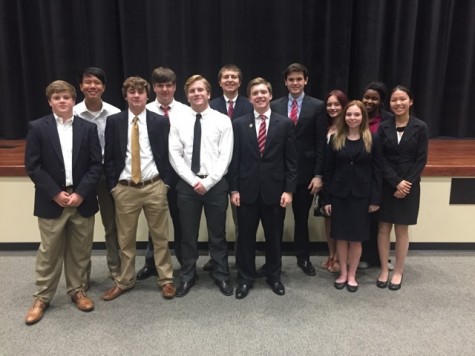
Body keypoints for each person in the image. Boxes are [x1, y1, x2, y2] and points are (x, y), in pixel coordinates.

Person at [24, 80, 102, 325]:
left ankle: (77, 291)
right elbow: (33, 166)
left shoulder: (87, 128)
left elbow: (95, 165)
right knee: (49, 252)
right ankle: (42, 297)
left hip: (81, 198)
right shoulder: (38, 128)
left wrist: (80, 193)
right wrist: (56, 194)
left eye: (66, 97)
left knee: (80, 250)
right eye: (56, 97)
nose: (61, 101)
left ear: (73, 100)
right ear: (50, 101)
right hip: (52, 200)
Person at [101, 76, 176, 301]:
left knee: (160, 237)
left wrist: (166, 184)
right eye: (131, 92)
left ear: (147, 95)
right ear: (125, 96)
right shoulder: (114, 122)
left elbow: (166, 155)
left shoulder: (160, 121)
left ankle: (166, 280)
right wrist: (114, 187)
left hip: (154, 186)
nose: (136, 95)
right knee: (125, 239)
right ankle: (124, 280)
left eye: (140, 92)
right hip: (125, 189)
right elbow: (110, 158)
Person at [229, 77, 298, 299]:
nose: (260, 96)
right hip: (246, 192)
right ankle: (245, 278)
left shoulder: (284, 123)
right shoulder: (239, 124)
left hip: (275, 193)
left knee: (274, 237)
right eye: (255, 93)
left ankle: (273, 276)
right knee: (245, 238)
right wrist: (234, 190)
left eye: (263, 92)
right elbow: (235, 160)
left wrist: (289, 190)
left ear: (270, 95)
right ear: (249, 98)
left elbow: (291, 161)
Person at [169, 74, 234, 297]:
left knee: (218, 234)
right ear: (187, 95)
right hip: (188, 186)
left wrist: (208, 182)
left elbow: (225, 156)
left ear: (208, 93)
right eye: (192, 91)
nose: (197, 94)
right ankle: (188, 275)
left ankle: (221, 274)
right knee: (188, 234)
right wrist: (195, 181)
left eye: (200, 90)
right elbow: (175, 155)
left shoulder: (222, 120)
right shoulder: (178, 120)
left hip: (215, 185)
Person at [268, 63, 326, 276]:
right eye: (291, 79)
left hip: (305, 173)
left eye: (299, 79)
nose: (295, 83)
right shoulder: (275, 105)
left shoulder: (317, 106)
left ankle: (303, 258)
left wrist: (318, 174)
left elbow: (320, 142)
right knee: (275, 221)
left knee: (301, 219)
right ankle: (274, 261)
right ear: (285, 82)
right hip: (278, 173)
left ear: (306, 81)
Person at [136, 66, 190, 280]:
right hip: (154, 175)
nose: (165, 89)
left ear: (175, 87)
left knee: (181, 222)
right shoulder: (145, 110)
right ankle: (152, 263)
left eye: (169, 85)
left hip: (179, 176)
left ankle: (186, 263)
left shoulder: (186, 111)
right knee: (155, 223)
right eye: (160, 85)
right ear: (153, 88)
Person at [323, 100, 382, 292]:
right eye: (349, 114)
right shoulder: (335, 139)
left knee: (356, 238)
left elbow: (377, 171)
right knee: (340, 237)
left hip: (361, 196)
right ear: (344, 117)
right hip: (339, 196)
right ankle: (342, 273)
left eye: (357, 114)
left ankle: (352, 275)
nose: (352, 118)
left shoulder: (372, 139)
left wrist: (374, 199)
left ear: (363, 117)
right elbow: (328, 171)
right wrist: (327, 199)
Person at [376, 86, 428, 291]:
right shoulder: (383, 126)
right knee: (383, 228)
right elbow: (379, 158)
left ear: (411, 101)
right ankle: (383, 269)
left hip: (409, 185)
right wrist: (395, 181)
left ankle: (398, 270)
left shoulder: (420, 127)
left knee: (401, 230)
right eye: (394, 100)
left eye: (402, 99)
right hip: (387, 184)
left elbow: (421, 159)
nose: (398, 103)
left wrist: (405, 183)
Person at [74, 67, 121, 285]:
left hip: (107, 175)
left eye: (97, 83)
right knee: (83, 228)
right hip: (82, 178)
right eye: (88, 82)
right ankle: (82, 276)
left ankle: (115, 267)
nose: (93, 86)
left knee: (112, 226)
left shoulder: (114, 113)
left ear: (104, 87)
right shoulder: (72, 113)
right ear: (81, 86)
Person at [206, 64, 253, 271]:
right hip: (215, 171)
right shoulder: (210, 105)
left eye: (234, 77)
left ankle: (240, 258)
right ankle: (216, 257)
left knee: (240, 220)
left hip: (242, 172)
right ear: (220, 82)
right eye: (226, 77)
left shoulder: (250, 104)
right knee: (216, 221)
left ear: (240, 82)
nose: (230, 80)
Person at [359, 81, 395, 270]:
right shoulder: (355, 115)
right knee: (363, 218)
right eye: (367, 97)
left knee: (379, 219)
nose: (369, 101)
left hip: (381, 175)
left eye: (374, 98)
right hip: (360, 175)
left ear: (381, 100)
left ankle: (379, 258)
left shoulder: (389, 119)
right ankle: (364, 256)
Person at [320, 90, 348, 273]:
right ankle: (331, 255)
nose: (332, 108)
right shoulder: (324, 127)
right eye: (329, 104)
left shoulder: (350, 128)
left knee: (340, 221)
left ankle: (339, 257)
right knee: (328, 218)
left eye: (336, 104)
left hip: (342, 182)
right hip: (325, 179)